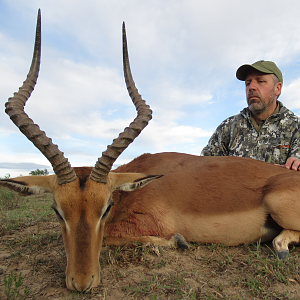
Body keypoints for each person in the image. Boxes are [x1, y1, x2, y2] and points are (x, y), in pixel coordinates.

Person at [201, 60, 300, 171]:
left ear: (277, 88)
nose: (251, 87)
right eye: (248, 83)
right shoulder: (228, 127)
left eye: (260, 81)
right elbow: (204, 168)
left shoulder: (296, 127)